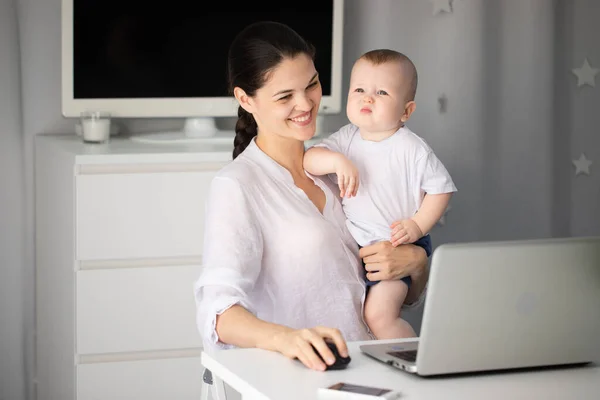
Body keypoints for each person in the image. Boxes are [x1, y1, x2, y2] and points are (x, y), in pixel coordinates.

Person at [193, 22, 429, 372]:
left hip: (370, 372)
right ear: (245, 99)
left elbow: (397, 295)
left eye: (312, 84)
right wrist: (286, 339)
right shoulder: (238, 185)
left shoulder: (342, 164)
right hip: (297, 379)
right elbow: (218, 313)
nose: (305, 104)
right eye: (285, 96)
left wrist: (418, 265)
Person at [303, 49, 457, 339]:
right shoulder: (346, 139)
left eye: (382, 92)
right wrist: (336, 161)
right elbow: (308, 159)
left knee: (378, 316)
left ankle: (412, 359)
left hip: (397, 244)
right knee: (356, 313)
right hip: (361, 247)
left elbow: (441, 190)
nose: (367, 98)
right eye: (359, 89)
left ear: (406, 111)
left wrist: (417, 225)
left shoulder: (412, 148)